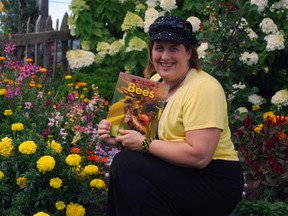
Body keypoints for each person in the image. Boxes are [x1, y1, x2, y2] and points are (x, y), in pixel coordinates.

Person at [97, 16, 244, 216]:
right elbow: (144, 136)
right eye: (159, 48)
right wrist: (117, 138)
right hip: (176, 170)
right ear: (151, 51)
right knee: (126, 162)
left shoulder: (204, 88)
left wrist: (143, 144)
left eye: (174, 48)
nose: (165, 56)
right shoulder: (156, 82)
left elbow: (199, 156)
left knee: (126, 164)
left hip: (213, 180)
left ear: (189, 52)